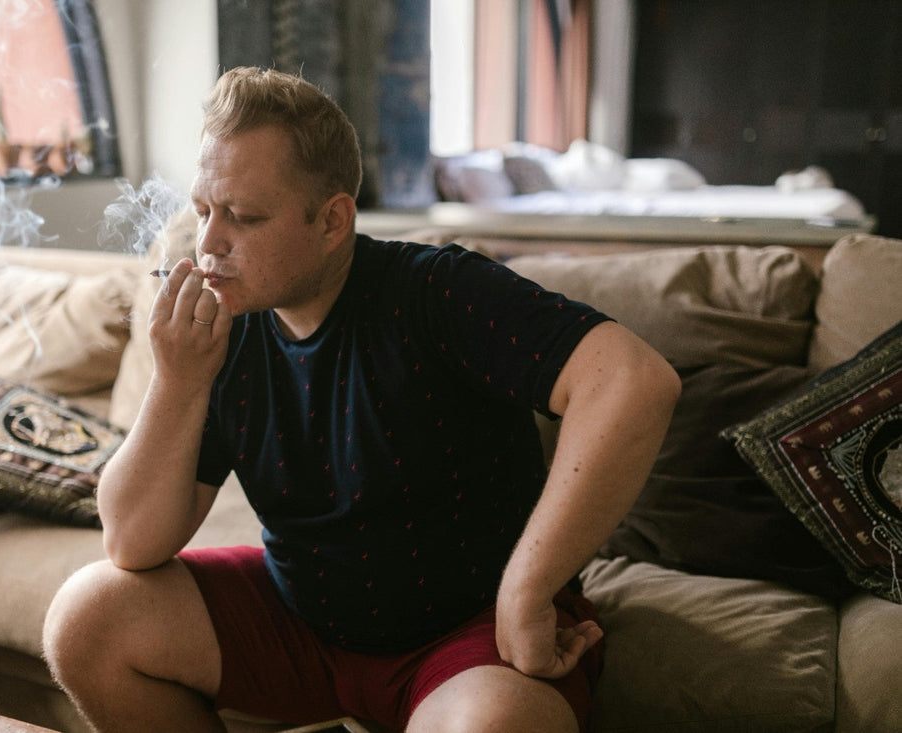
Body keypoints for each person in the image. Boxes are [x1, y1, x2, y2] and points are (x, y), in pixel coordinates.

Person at [43, 66, 680, 733]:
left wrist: (527, 590)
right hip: (303, 623)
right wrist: (176, 382)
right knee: (86, 618)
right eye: (204, 211)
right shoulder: (223, 329)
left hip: (467, 634)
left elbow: (632, 381)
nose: (208, 245)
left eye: (244, 217)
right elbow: (130, 543)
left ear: (332, 220)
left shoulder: (438, 291)